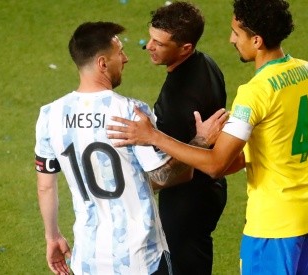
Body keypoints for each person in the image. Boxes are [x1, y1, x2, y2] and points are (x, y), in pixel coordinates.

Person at [107, 0, 308, 274]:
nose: (231, 39)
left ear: (256, 40)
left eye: (237, 33)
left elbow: (216, 165)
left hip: (274, 223)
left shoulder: (255, 92)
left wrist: (153, 136)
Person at [34, 21, 218, 275]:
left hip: (88, 260)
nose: (126, 58)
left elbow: (45, 185)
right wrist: (201, 141)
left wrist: (52, 237)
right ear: (102, 63)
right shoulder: (130, 112)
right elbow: (162, 176)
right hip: (140, 259)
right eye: (119, 52)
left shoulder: (49, 115)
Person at [142, 2, 228, 274]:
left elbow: (181, 172)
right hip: (209, 192)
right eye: (150, 38)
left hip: (187, 202)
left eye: (159, 43)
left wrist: (136, 186)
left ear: (185, 48)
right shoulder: (206, 63)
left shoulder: (180, 99)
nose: (148, 46)